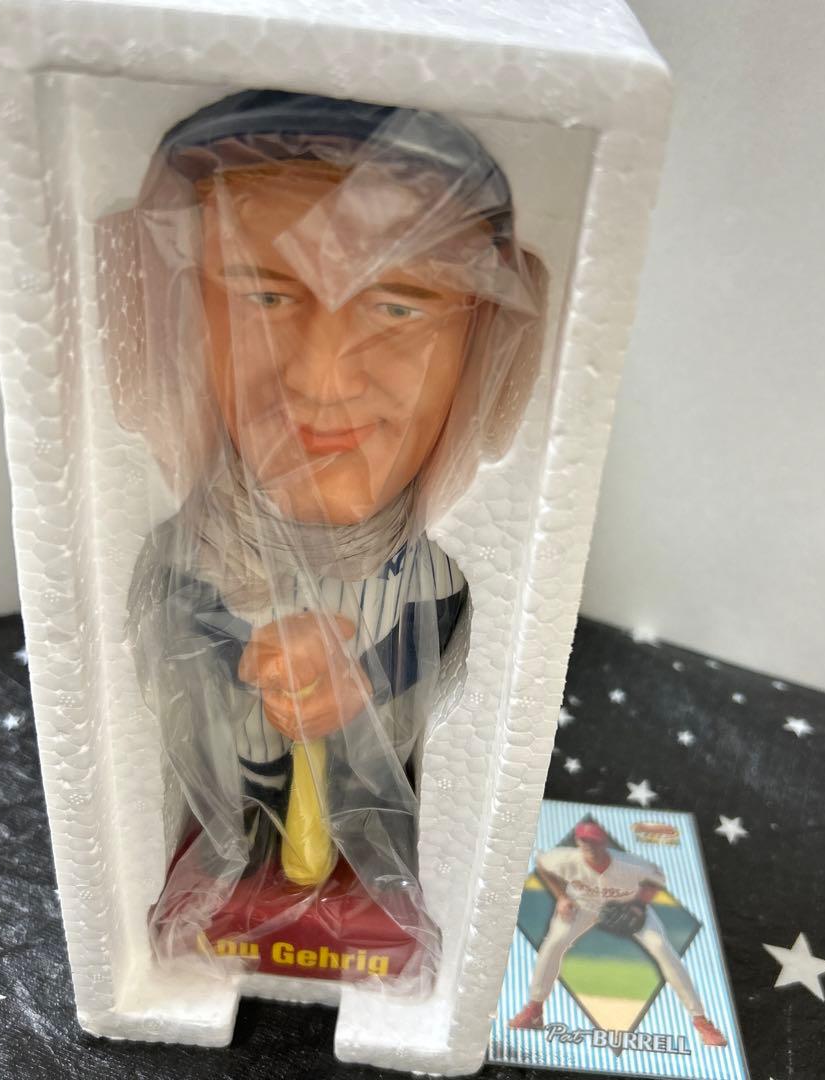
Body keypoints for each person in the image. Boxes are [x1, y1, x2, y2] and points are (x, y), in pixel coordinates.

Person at [118, 90, 539, 970]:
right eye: (264, 295)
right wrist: (247, 652)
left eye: (398, 307)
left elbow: (447, 675)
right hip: (242, 815)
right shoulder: (191, 546)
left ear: (484, 330)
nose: (320, 378)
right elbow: (177, 654)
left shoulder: (436, 565)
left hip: (369, 831)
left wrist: (365, 685)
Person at [509, 820, 728, 1047]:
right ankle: (534, 1010)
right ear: (578, 842)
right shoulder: (564, 859)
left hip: (627, 906)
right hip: (583, 905)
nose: (588, 845)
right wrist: (562, 897)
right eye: (584, 840)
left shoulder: (630, 864)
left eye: (593, 841)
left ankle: (701, 1021)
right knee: (554, 942)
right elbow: (542, 864)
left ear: (603, 843)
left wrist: (639, 904)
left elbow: (657, 878)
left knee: (661, 947)